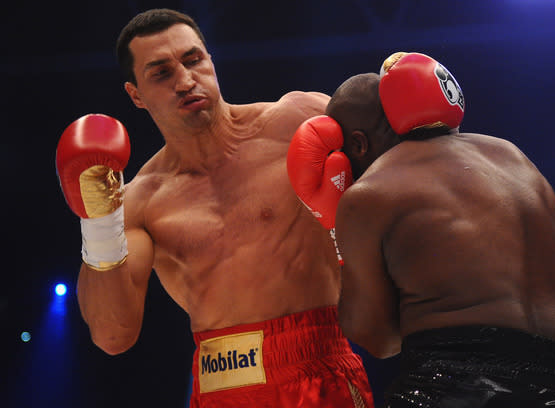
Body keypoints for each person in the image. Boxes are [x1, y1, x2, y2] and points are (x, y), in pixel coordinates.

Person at [55, 8, 374, 408]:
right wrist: (98, 221)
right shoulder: (141, 201)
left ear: (210, 59)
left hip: (318, 365)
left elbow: (401, 189)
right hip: (219, 388)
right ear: (135, 94)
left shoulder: (299, 121)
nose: (186, 81)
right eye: (161, 73)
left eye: (193, 60)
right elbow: (112, 335)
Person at [287, 52, 555, 407]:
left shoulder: (372, 193)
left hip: (457, 387)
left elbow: (378, 338)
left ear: (357, 144)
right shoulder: (514, 159)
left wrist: (337, 229)